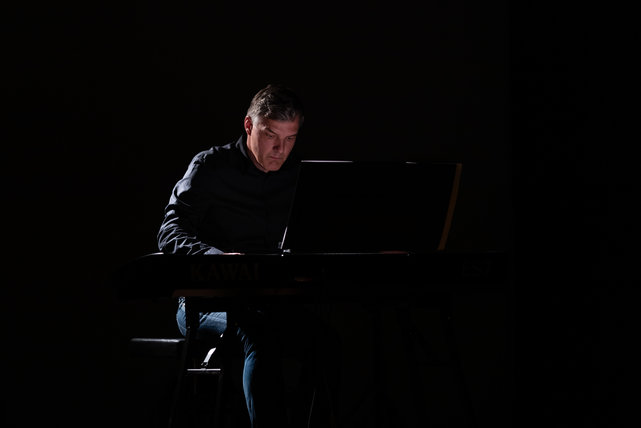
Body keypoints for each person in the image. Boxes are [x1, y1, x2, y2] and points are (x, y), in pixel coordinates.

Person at [157, 84, 340, 427]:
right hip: (206, 303)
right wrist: (217, 257)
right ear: (248, 126)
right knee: (260, 334)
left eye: (290, 138)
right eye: (271, 136)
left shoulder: (298, 175)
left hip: (270, 300)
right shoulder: (211, 165)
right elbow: (170, 232)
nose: (280, 149)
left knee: (327, 343)